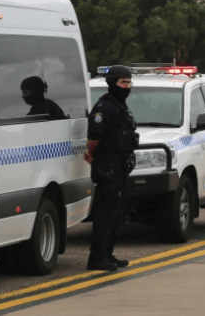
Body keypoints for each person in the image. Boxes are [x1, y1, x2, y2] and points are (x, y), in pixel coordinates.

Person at [84, 65, 138, 271]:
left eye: (129, 82)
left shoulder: (121, 107)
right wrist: (92, 156)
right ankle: (96, 257)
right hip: (107, 165)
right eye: (123, 82)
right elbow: (94, 139)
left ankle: (108, 253)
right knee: (105, 213)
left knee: (117, 213)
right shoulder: (103, 108)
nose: (127, 86)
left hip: (121, 165)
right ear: (112, 83)